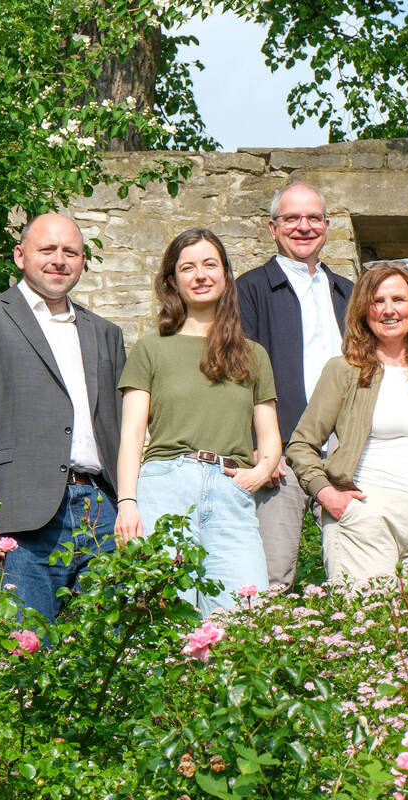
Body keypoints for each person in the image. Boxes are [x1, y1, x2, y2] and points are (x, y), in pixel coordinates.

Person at [0, 213, 126, 621]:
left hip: (101, 512)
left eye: (71, 252)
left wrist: (129, 504)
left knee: (112, 661)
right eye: (47, 249)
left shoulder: (106, 333)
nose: (59, 260)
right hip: (17, 515)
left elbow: (119, 431)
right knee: (21, 659)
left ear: (82, 262)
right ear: (20, 256)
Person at [115, 229, 281, 615]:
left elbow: (270, 438)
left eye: (210, 264)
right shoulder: (151, 348)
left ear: (225, 274)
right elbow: (132, 436)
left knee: (242, 619)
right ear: (173, 282)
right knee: (159, 620)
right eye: (187, 267)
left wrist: (258, 474)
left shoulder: (253, 355)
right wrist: (127, 504)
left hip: (231, 493)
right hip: (163, 491)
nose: (200, 275)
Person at [286, 263, 408, 584]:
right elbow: (301, 445)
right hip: (366, 515)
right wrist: (328, 496)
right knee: (370, 627)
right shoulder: (344, 370)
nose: (389, 310)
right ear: (364, 310)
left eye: (398, 300)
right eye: (378, 301)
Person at [237, 182, 353, 590]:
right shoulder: (248, 290)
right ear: (273, 228)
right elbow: (237, 373)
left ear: (327, 225)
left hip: (344, 448)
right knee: (272, 574)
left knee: (352, 571)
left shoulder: (349, 293)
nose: (303, 227)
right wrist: (254, 443)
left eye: (313, 218)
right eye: (291, 219)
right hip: (278, 449)